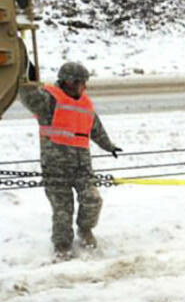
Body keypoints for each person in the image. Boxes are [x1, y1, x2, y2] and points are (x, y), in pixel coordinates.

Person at [19, 61, 122, 259]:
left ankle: (85, 230)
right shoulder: (48, 100)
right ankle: (62, 247)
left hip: (82, 166)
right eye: (81, 82)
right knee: (62, 211)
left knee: (92, 200)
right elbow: (28, 97)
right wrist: (27, 81)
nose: (84, 86)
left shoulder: (85, 103)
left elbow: (95, 129)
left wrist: (109, 146)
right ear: (69, 82)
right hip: (55, 167)